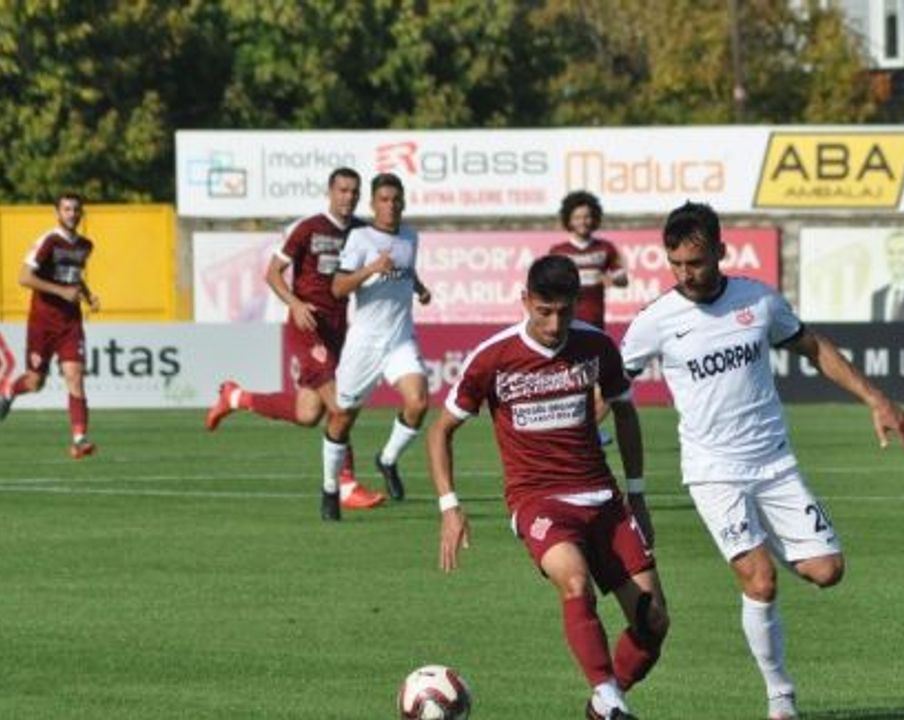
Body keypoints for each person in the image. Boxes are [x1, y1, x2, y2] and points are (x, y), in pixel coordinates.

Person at [619, 202, 904, 720]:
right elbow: (609, 386)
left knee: (828, 571)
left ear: (720, 251)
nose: (687, 274)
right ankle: (780, 698)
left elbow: (813, 347)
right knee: (760, 580)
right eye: (676, 264)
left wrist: (876, 399)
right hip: (714, 473)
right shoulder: (656, 321)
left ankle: (766, 544)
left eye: (696, 262)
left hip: (775, 466)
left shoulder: (757, 301)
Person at [430, 255, 667, 720]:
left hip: (602, 497)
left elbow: (624, 412)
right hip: (537, 499)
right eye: (544, 311)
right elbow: (441, 431)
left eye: (564, 311)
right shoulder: (493, 358)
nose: (555, 323)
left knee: (653, 622)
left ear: (577, 303)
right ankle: (610, 697)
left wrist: (636, 494)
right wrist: (449, 506)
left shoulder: (596, 347)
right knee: (574, 579)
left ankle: (604, 702)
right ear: (525, 301)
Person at [204, 167, 385, 510]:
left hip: (339, 329)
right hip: (307, 326)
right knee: (340, 405)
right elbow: (272, 273)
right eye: (342, 190)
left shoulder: (362, 232)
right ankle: (345, 484)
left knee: (307, 413)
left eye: (354, 192)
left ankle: (235, 397)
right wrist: (296, 303)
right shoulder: (307, 228)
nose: (348, 197)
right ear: (330, 192)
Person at [320, 172, 432, 521]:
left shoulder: (411, 237)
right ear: (373, 204)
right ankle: (329, 488)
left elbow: (405, 271)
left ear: (403, 203)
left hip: (399, 339)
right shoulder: (360, 237)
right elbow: (338, 288)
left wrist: (420, 289)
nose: (391, 206)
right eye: (384, 200)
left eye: (396, 200)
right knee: (342, 418)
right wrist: (372, 267)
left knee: (419, 402)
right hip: (365, 344)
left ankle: (387, 459)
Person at [0, 193, 100, 458]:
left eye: (76, 209)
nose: (72, 213)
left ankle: (79, 439)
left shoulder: (85, 245)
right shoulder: (49, 241)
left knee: (75, 377)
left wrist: (88, 296)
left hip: (70, 323)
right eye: (67, 209)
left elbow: (73, 277)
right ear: (58, 212)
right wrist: (60, 292)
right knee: (35, 383)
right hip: (42, 323)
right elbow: (24, 277)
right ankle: (9, 389)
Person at [549, 191, 628, 446]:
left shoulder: (605, 249)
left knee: (603, 385)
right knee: (575, 384)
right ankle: (578, 433)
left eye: (588, 216)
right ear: (568, 220)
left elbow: (623, 278)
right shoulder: (559, 251)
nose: (583, 221)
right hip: (567, 327)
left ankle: (584, 432)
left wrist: (612, 279)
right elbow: (548, 285)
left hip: (595, 327)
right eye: (578, 217)